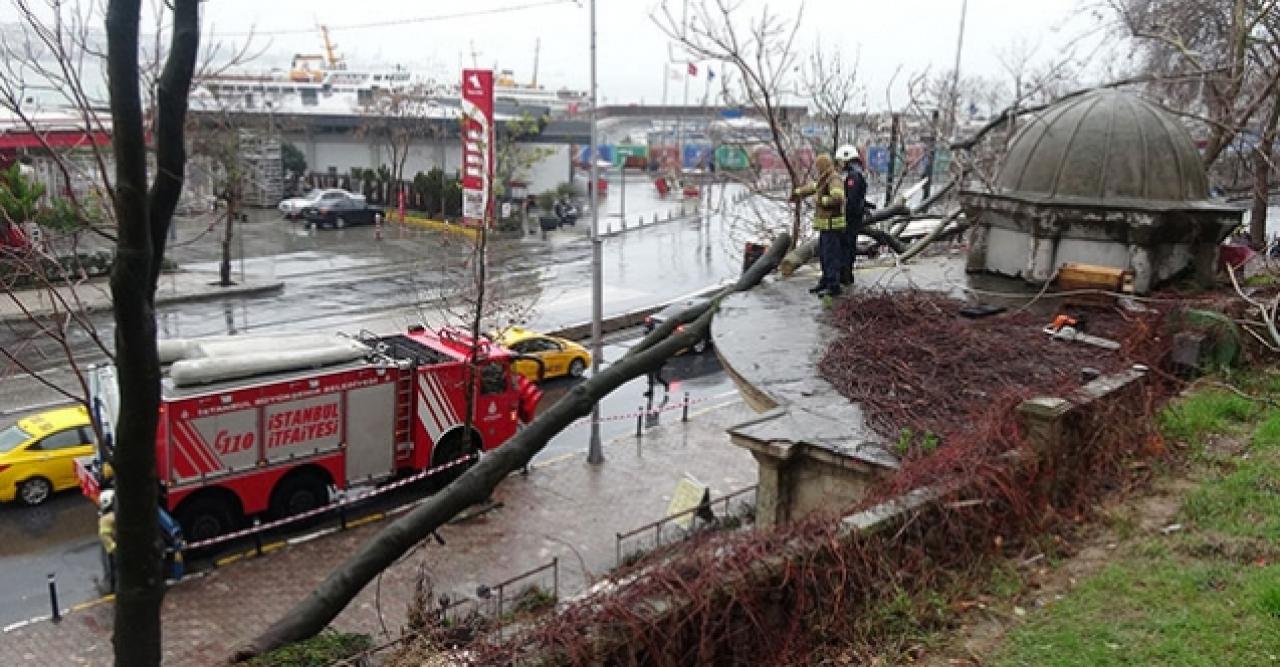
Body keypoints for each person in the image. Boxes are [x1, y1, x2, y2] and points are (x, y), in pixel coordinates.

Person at [792, 153, 846, 297]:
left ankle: (833, 286)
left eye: (818, 167)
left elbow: (838, 198)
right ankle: (825, 281)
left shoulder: (834, 179)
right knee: (824, 255)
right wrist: (798, 193)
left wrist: (821, 200)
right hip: (826, 227)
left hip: (832, 226)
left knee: (831, 257)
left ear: (823, 166)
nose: (817, 170)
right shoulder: (825, 179)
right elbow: (813, 188)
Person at [835, 145, 869, 286]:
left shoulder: (853, 176)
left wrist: (844, 216)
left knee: (847, 246)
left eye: (841, 161)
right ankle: (846, 274)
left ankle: (846, 276)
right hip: (855, 216)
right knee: (849, 245)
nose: (840, 165)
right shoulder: (858, 172)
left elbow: (852, 199)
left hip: (851, 218)